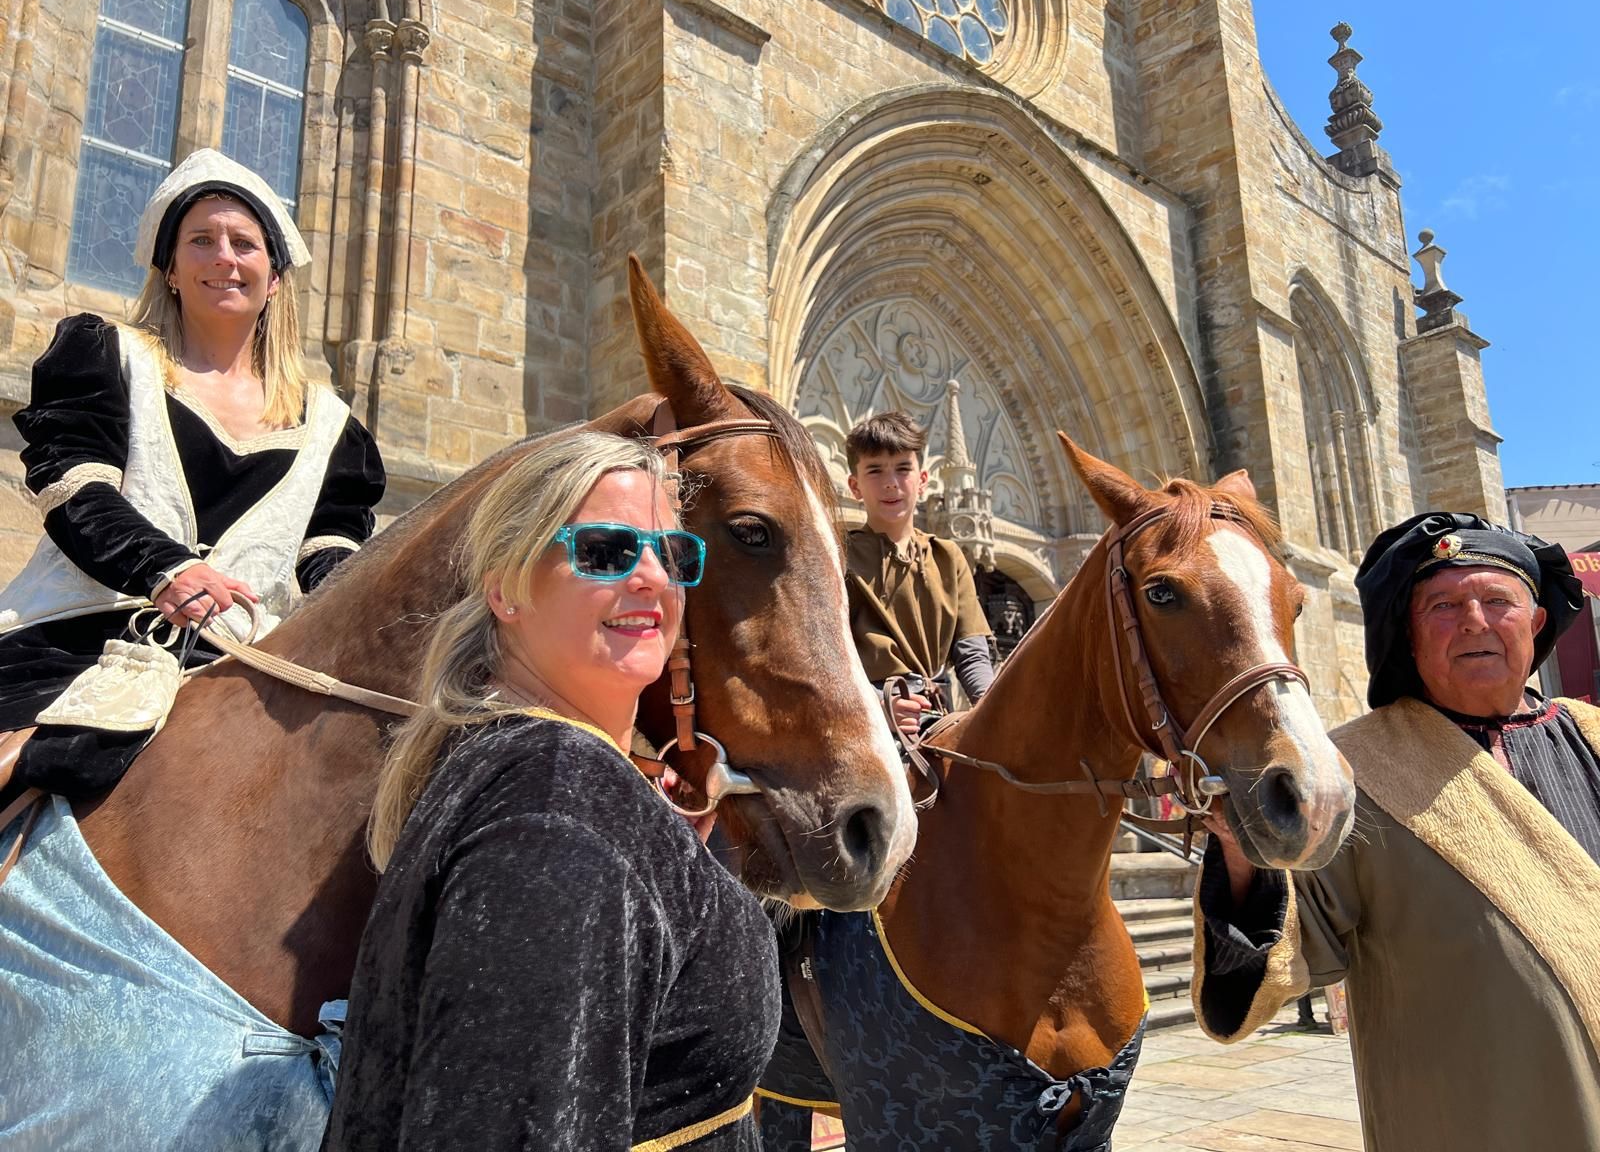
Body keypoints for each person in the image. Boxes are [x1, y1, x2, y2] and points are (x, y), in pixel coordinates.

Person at [323, 433, 779, 1151]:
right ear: (505, 587)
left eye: (675, 554)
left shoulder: (537, 773)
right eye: (606, 550)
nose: (652, 577)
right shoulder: (557, 808)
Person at [1193, 512, 1600, 1151]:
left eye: (1498, 600)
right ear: (1408, 636)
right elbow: (1296, 948)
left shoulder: (1593, 735)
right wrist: (1244, 854)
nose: (1474, 620)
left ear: (1537, 622)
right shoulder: (1353, 771)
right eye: (1443, 605)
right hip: (1463, 1119)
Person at [0, 148, 384, 798]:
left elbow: (331, 556)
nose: (224, 258)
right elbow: (73, 489)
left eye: (244, 243)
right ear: (171, 269)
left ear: (275, 277)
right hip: (79, 638)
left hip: (248, 662)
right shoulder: (104, 355)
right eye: (200, 240)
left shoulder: (332, 426)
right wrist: (168, 568)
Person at [843, 411, 994, 738]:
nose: (890, 482)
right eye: (875, 470)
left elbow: (972, 656)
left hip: (941, 722)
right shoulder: (838, 556)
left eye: (902, 468)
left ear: (922, 480)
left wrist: (992, 711)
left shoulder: (948, 557)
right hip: (867, 728)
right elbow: (821, 660)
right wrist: (877, 705)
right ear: (855, 486)